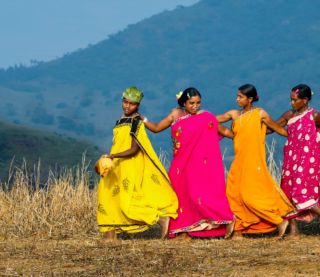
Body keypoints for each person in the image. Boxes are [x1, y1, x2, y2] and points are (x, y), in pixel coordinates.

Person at [143, 88, 235, 240]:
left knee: (196, 195)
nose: (196, 106)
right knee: (180, 196)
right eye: (192, 103)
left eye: (198, 103)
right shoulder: (175, 115)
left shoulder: (206, 117)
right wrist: (142, 118)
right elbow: (157, 128)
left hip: (198, 164)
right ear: (183, 102)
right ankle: (183, 232)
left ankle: (227, 219)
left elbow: (223, 131)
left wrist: (242, 136)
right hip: (179, 163)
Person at [97, 87, 178, 241]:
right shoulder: (121, 119)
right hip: (116, 164)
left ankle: (159, 218)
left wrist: (113, 155)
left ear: (138, 106)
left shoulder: (136, 121)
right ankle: (111, 235)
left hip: (128, 164)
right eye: (125, 102)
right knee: (108, 195)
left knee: (127, 200)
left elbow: (134, 149)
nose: (127, 106)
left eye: (132, 104)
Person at [216, 84, 296, 240]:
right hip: (239, 161)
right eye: (237, 96)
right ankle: (238, 232)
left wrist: (296, 136)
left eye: (241, 97)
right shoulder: (234, 114)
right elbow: (211, 120)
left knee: (250, 196)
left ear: (250, 99)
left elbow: (276, 129)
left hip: (254, 161)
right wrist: (196, 114)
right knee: (233, 194)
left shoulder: (259, 114)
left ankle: (279, 221)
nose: (237, 99)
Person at [271, 84, 320, 240]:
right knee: (287, 192)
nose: (292, 103)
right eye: (291, 100)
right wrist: (260, 119)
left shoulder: (314, 116)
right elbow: (271, 128)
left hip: (308, 160)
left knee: (300, 192)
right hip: (290, 159)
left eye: (295, 100)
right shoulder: (289, 115)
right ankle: (294, 232)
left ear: (305, 99)